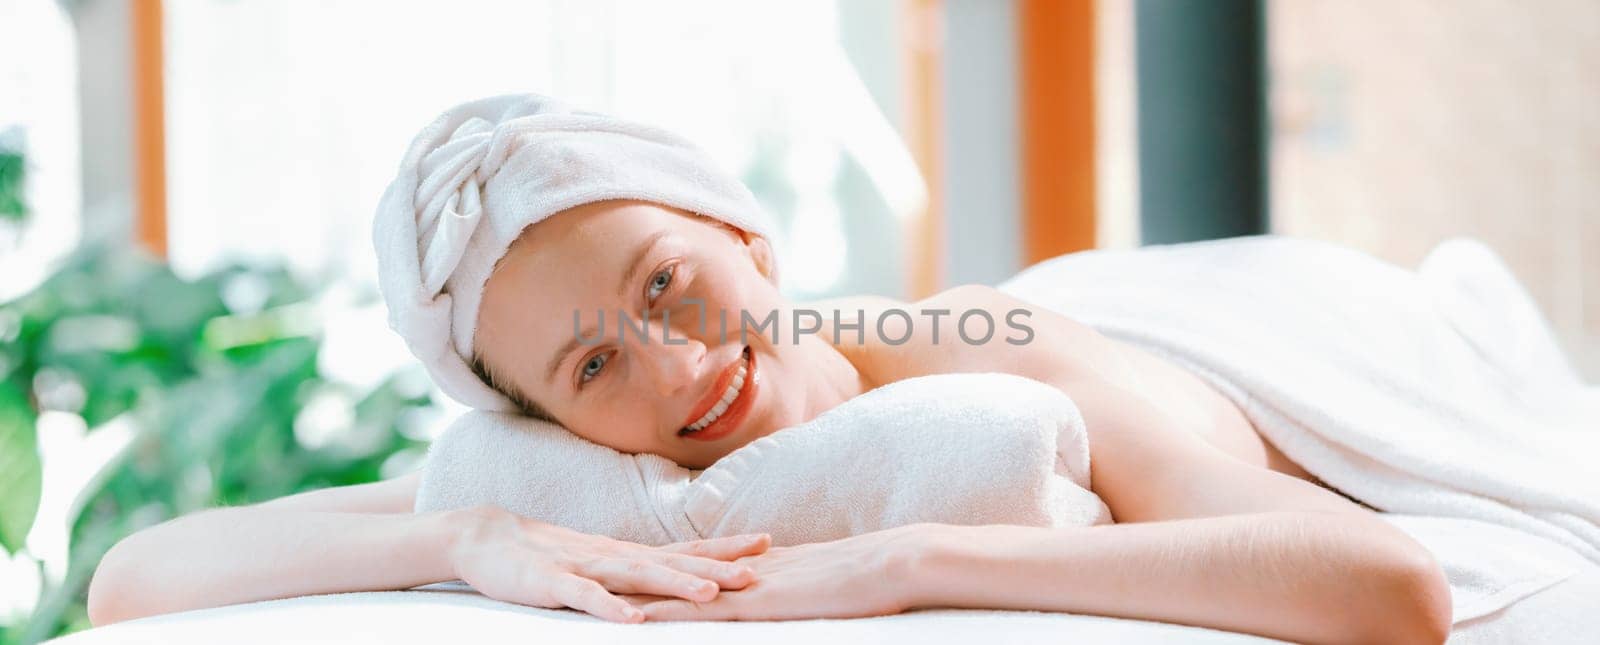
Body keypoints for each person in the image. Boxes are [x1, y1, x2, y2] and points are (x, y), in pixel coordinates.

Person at [87, 95, 1452, 645]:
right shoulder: (603, 475)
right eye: (593, 362)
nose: (678, 363)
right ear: (546, 417)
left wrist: (907, 558)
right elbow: (133, 577)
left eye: (670, 283)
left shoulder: (989, 360)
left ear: (745, 229)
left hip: (1230, 324)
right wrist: (465, 532)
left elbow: (1390, 586)